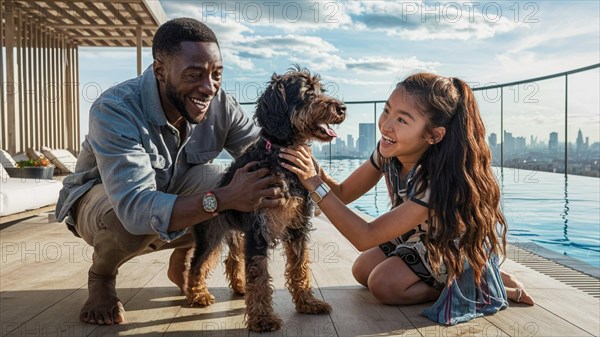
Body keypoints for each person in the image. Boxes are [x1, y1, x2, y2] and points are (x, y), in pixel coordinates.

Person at [55, 18, 283, 325]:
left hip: (172, 191)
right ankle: (102, 277)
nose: (209, 87)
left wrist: (314, 186)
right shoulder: (115, 108)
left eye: (216, 75)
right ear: (160, 71)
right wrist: (225, 198)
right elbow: (136, 208)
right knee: (129, 221)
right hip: (102, 201)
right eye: (195, 75)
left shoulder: (220, 104)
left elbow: (265, 152)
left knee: (252, 181)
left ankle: (184, 255)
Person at [279, 73, 534, 325]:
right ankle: (480, 274)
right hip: (416, 237)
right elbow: (344, 193)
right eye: (387, 111)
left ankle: (473, 281)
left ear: (433, 135)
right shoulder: (387, 150)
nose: (386, 125)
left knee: (383, 285)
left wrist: (314, 184)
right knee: (362, 271)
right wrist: (311, 164)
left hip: (447, 246)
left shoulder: (438, 181)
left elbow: (364, 236)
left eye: (402, 120)